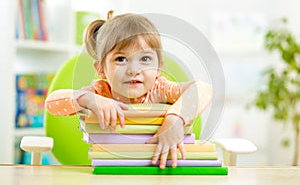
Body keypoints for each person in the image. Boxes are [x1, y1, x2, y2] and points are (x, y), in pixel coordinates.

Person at [45, 12, 213, 169]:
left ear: (158, 67)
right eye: (121, 59)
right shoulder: (101, 92)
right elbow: (52, 103)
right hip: (110, 172)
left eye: (145, 59)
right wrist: (88, 99)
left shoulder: (159, 89)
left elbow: (203, 90)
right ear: (101, 69)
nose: (134, 69)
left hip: (158, 172)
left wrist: (175, 120)